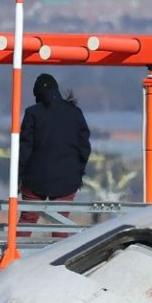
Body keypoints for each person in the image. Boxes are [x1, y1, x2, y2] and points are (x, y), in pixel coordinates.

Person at [17, 72, 92, 222]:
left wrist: (20, 177)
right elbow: (84, 147)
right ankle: (61, 246)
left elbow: (25, 149)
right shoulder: (75, 113)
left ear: (37, 93)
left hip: (35, 179)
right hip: (67, 179)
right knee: (60, 222)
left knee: (28, 219)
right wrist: (77, 172)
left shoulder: (32, 113)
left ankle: (17, 246)